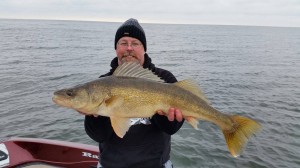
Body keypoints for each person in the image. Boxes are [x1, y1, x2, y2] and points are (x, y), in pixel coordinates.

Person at [84, 18, 185, 168]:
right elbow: (98, 136)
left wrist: (167, 118)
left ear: (144, 48)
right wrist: (93, 114)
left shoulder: (165, 79)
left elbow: (171, 129)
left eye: (135, 43)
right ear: (116, 48)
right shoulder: (102, 84)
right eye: (123, 43)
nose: (129, 48)